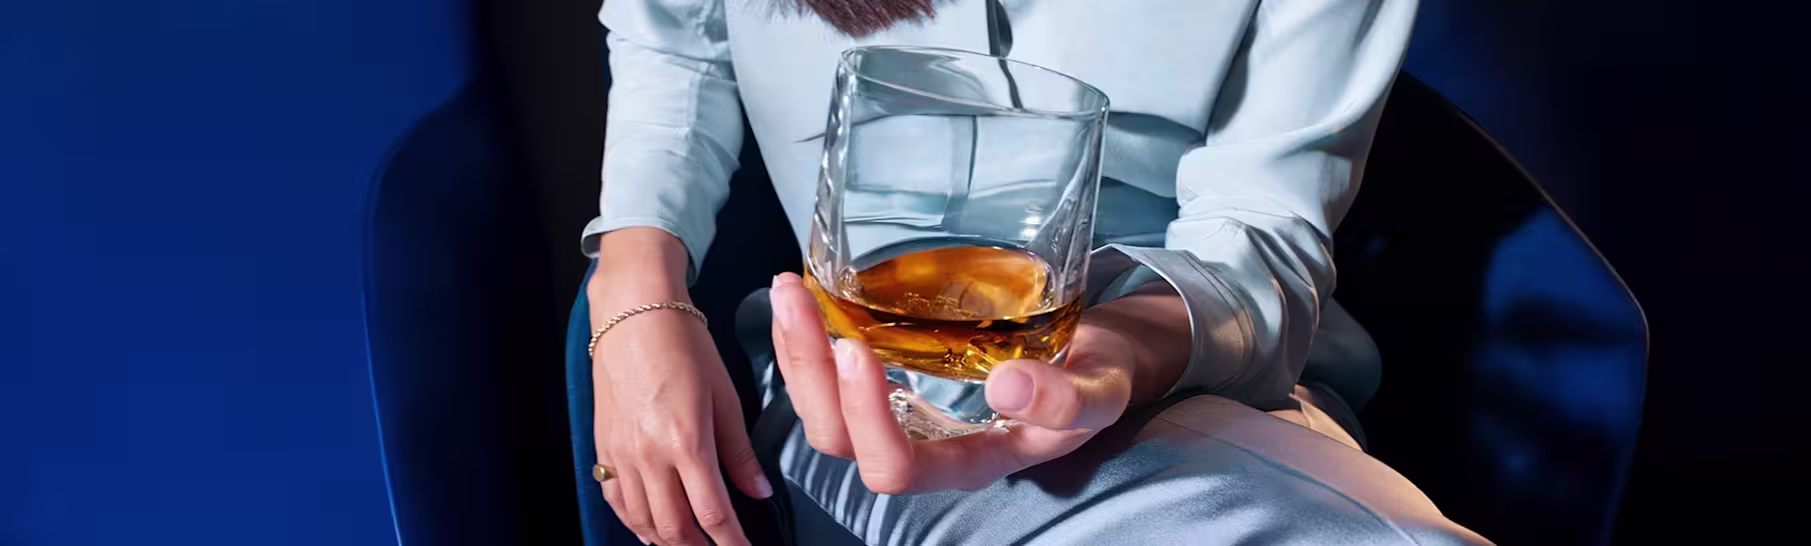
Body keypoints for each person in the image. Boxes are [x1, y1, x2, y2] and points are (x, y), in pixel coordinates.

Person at [579, 0, 1488, 544]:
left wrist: (1116, 354)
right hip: (861, 374)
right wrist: (631, 287)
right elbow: (677, 41)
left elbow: (1262, 227)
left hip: (1200, 365)